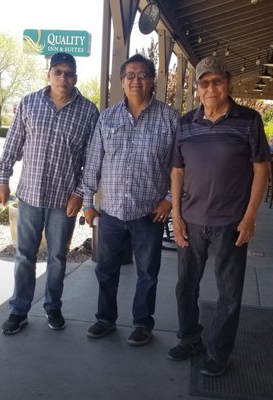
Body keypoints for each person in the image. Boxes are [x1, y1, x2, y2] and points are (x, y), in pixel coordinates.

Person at [168, 56, 270, 376]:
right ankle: (190, 338)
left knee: (229, 292)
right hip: (193, 220)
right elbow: (177, 170)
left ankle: (220, 350)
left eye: (217, 81)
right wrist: (177, 215)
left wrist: (250, 216)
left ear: (227, 83)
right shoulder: (185, 123)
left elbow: (261, 170)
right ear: (196, 88)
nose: (211, 88)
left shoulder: (249, 120)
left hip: (230, 222)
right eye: (204, 82)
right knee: (186, 286)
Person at [0, 52, 99, 334]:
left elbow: (91, 160)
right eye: (58, 72)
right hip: (30, 195)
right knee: (24, 256)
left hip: (63, 201)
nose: (63, 77)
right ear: (48, 74)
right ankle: (19, 310)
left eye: (68, 73)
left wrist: (80, 194)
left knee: (57, 258)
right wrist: (2, 178)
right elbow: (12, 146)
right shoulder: (29, 103)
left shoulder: (89, 112)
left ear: (75, 77)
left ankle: (53, 306)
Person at [82, 53, 180, 346]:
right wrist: (88, 202)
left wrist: (168, 200)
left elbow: (181, 167)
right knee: (106, 270)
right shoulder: (107, 117)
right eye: (130, 76)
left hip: (150, 213)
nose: (136, 81)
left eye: (142, 75)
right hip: (111, 211)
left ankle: (142, 324)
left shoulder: (170, 119)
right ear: (121, 82)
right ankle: (104, 319)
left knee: (148, 273)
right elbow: (93, 162)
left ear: (152, 81)